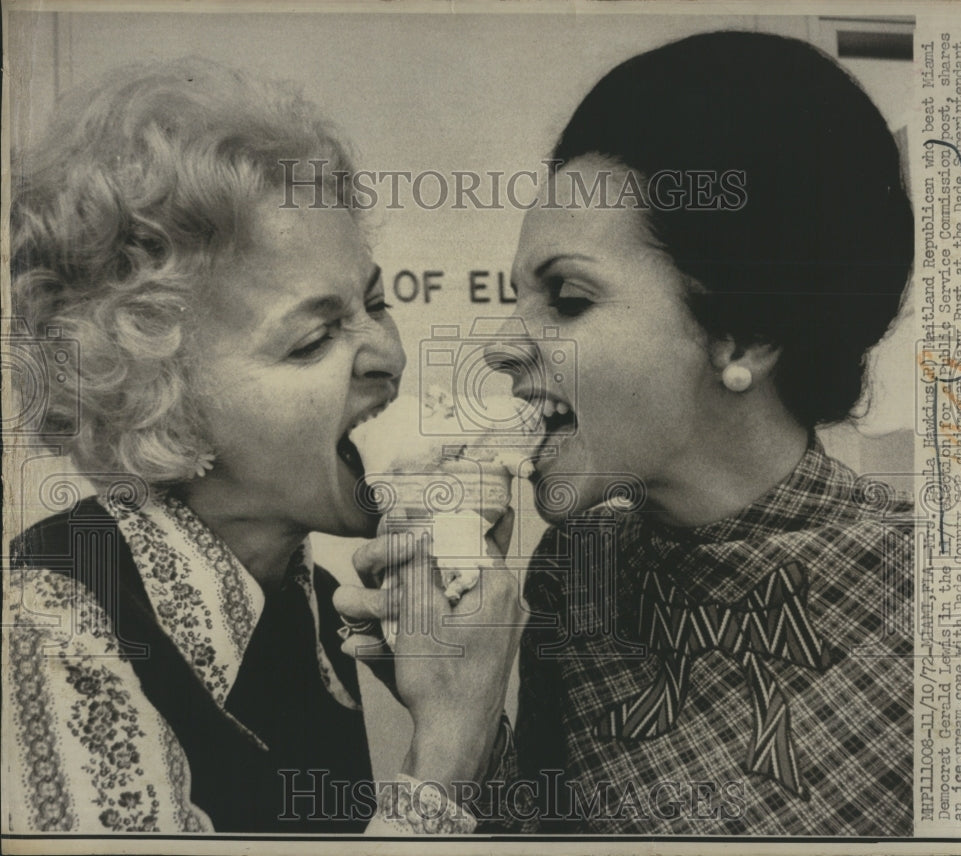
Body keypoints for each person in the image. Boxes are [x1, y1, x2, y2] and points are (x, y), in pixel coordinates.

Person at [341, 30, 914, 835]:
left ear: (743, 336)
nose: (502, 346)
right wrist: (456, 708)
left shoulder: (941, 608)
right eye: (517, 297)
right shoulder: (576, 563)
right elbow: (545, 837)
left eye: (568, 299)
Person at [4, 58, 522, 834]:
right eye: (314, 338)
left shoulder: (301, 596)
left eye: (374, 303)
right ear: (163, 403)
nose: (387, 352)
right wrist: (445, 752)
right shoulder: (50, 635)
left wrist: (466, 706)